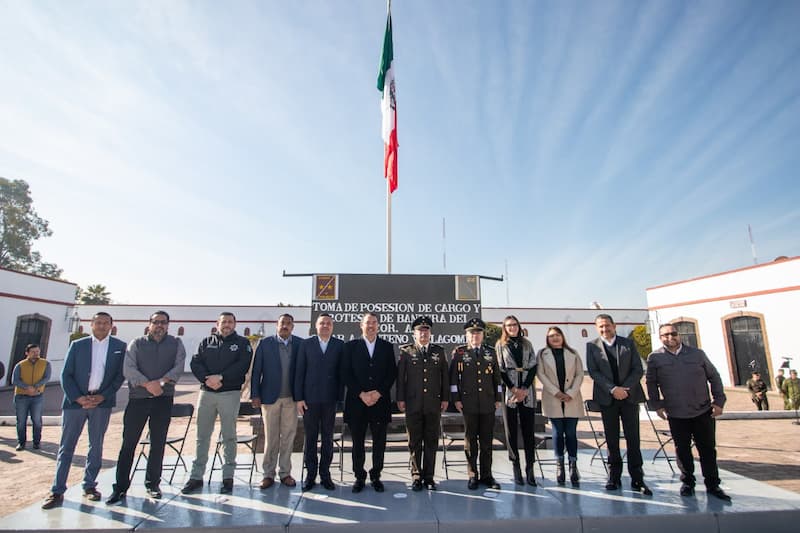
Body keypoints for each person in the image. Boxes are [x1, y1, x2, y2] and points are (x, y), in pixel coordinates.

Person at [41, 313, 126, 509]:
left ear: (112, 326)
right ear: (91, 324)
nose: (102, 326)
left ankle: (89, 486)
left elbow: (119, 376)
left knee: (96, 446)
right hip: (75, 403)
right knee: (66, 447)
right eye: (98, 322)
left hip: (101, 403)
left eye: (106, 323)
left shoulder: (119, 347)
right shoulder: (78, 346)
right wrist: (78, 398)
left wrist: (102, 396)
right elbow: (66, 374)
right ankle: (57, 490)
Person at [107, 310, 186, 504]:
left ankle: (152, 484)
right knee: (128, 444)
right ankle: (120, 487)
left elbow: (178, 367)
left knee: (157, 444)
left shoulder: (176, 343)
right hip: (138, 399)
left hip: (163, 398)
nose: (159, 326)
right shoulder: (137, 343)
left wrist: (160, 383)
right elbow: (129, 368)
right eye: (156, 322)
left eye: (163, 323)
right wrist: (147, 384)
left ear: (168, 325)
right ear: (149, 324)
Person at [646, 323, 731, 502]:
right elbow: (651, 383)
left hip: (702, 410)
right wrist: (657, 405)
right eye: (665, 335)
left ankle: (713, 484)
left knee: (707, 449)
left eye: (673, 333)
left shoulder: (697, 354)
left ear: (679, 335)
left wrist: (719, 401)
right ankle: (688, 482)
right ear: (660, 338)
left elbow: (714, 376)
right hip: (676, 412)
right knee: (682, 450)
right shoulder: (655, 358)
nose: (670, 337)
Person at [182, 312, 253, 495]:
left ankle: (227, 477)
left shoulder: (242, 344)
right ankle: (196, 477)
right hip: (206, 393)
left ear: (235, 324)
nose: (227, 324)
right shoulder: (206, 342)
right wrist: (208, 380)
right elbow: (196, 362)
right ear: (218, 323)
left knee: (229, 435)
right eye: (224, 322)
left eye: (230, 322)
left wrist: (221, 377)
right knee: (202, 436)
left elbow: (242, 366)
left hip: (229, 393)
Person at [586, 314, 651, 495]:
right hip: (608, 398)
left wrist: (625, 389)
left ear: (614, 326)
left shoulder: (627, 344)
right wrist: (613, 389)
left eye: (607, 326)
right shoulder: (592, 346)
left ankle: (637, 477)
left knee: (633, 438)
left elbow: (637, 369)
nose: (604, 329)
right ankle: (614, 476)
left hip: (629, 397)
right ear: (596, 328)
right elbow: (594, 372)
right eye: (600, 327)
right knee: (612, 439)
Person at [341, 312, 397, 493]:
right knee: (357, 442)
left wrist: (378, 393)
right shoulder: (350, 347)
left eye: (374, 322)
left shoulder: (387, 347)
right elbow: (346, 373)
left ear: (378, 325)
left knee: (379, 442)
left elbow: (391, 373)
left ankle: (376, 476)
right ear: (361, 325)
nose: (371, 325)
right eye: (367, 323)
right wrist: (361, 394)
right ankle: (359, 476)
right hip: (357, 403)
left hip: (379, 403)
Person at [397, 316, 449, 491]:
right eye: (420, 331)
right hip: (413, 403)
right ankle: (416, 475)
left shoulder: (439, 352)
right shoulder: (406, 352)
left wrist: (445, 398)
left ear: (430, 333)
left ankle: (429, 476)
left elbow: (445, 378)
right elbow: (401, 378)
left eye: (426, 330)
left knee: (431, 441)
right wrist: (400, 399)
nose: (423, 333)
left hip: (433, 404)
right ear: (414, 333)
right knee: (414, 441)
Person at [450, 318, 502, 490]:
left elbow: (497, 378)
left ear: (483, 334)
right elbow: (453, 379)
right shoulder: (459, 353)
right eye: (472, 333)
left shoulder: (491, 352)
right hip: (468, 402)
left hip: (488, 402)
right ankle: (472, 474)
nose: (475, 335)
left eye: (478, 332)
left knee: (487, 440)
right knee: (470, 440)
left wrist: (498, 398)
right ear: (467, 335)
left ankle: (487, 475)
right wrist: (456, 399)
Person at [294, 313, 344, 492]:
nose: (325, 326)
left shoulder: (339, 345)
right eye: (322, 323)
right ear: (316, 326)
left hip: (330, 400)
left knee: (328, 438)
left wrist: (340, 399)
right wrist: (298, 398)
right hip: (309, 400)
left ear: (332, 326)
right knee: (311, 438)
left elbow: (341, 374)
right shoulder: (306, 344)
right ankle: (310, 475)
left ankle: (325, 475)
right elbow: (299, 372)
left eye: (328, 323)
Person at [251, 313, 302, 489]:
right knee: (271, 437)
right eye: (282, 323)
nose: (285, 326)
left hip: (291, 399)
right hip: (269, 399)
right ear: (277, 325)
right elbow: (256, 371)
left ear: (293, 326)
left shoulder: (300, 344)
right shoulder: (265, 344)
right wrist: (255, 394)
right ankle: (268, 474)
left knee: (288, 437)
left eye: (288, 323)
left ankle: (285, 473)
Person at [537, 326, 583, 487]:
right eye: (551, 336)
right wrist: (556, 392)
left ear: (562, 336)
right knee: (557, 432)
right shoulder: (543, 354)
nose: (555, 338)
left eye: (557, 335)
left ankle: (573, 465)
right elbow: (541, 374)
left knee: (570, 432)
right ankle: (559, 465)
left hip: (572, 398)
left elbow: (580, 374)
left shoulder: (573, 353)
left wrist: (571, 392)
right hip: (553, 398)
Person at [495, 315, 537, 486]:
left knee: (528, 431)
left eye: (514, 324)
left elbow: (533, 365)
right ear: (504, 328)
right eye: (508, 325)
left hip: (527, 391)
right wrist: (513, 389)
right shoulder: (500, 345)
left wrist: (525, 388)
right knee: (511, 430)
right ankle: (516, 466)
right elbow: (500, 368)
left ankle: (530, 467)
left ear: (519, 326)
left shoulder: (527, 343)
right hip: (510, 392)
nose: (512, 327)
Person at [11, 343, 51, 451]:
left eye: (37, 351)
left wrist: (36, 387)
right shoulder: (20, 365)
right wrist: (27, 388)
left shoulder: (45, 364)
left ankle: (36, 442)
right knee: (21, 421)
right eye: (33, 352)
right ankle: (21, 442)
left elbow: (46, 377)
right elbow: (15, 380)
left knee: (37, 420)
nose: (35, 354)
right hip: (21, 396)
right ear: (27, 353)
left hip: (37, 396)